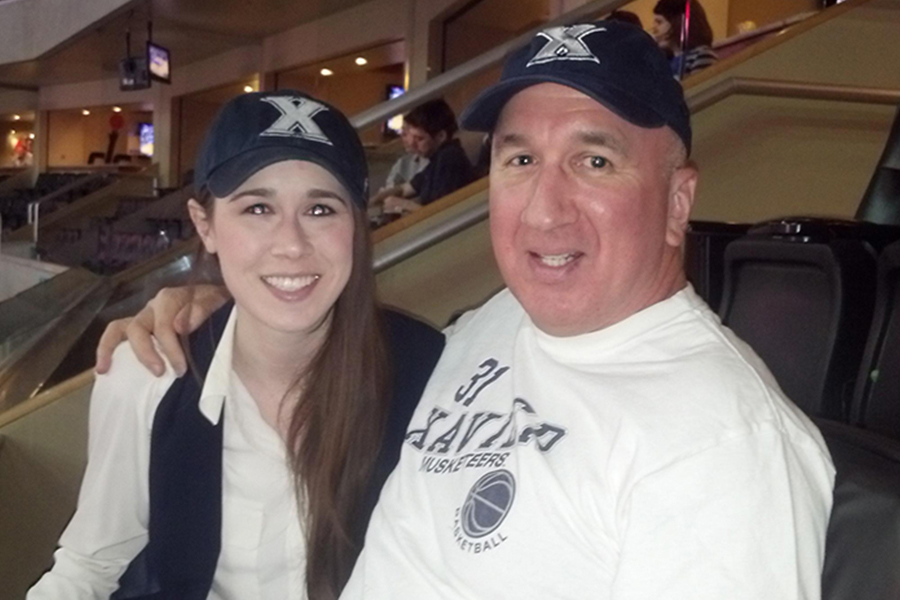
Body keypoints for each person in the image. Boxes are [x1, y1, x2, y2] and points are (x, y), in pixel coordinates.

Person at [99, 22, 835, 599]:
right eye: (519, 160)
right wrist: (224, 298)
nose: (546, 211)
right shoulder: (496, 324)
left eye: (595, 161)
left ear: (677, 202)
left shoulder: (721, 449)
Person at [29, 91, 444, 600]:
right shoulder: (149, 373)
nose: (291, 243)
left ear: (356, 226)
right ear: (206, 226)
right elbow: (89, 568)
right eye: (257, 207)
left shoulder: (429, 370)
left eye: (320, 208)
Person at [370, 99, 475, 215]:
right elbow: (406, 189)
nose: (412, 144)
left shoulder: (450, 159)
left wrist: (402, 204)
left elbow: (441, 215)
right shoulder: (436, 159)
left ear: (441, 136)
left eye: (420, 139)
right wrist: (376, 199)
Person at [652, 0, 719, 79]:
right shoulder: (662, 62)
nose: (654, 29)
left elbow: (699, 89)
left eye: (659, 22)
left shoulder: (701, 55)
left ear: (679, 23)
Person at [379, 122, 429, 191]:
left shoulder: (437, 161)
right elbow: (390, 188)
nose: (403, 137)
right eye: (402, 133)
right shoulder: (402, 163)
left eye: (406, 133)